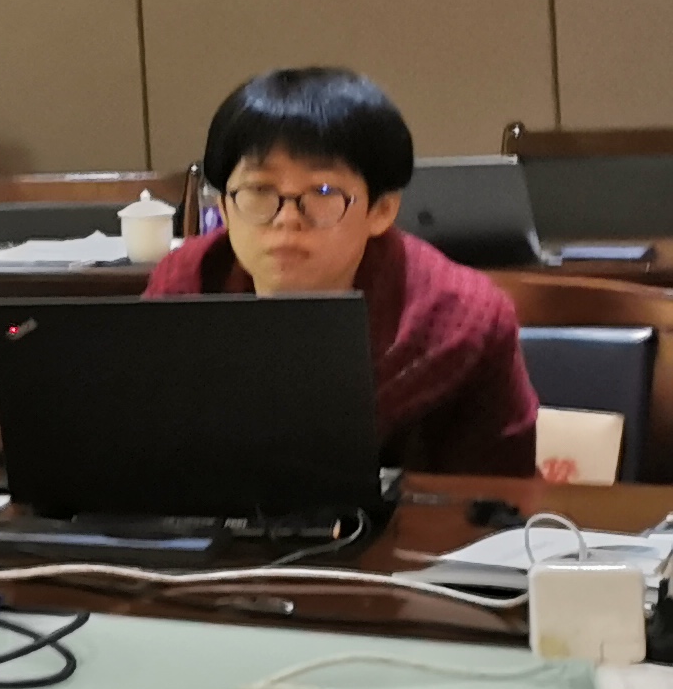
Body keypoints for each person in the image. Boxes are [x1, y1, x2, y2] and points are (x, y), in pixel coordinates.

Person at [146, 67, 536, 476]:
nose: (287, 219)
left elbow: (499, 494)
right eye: (260, 190)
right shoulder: (186, 287)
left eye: (323, 192)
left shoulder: (464, 317)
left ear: (381, 210)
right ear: (224, 209)